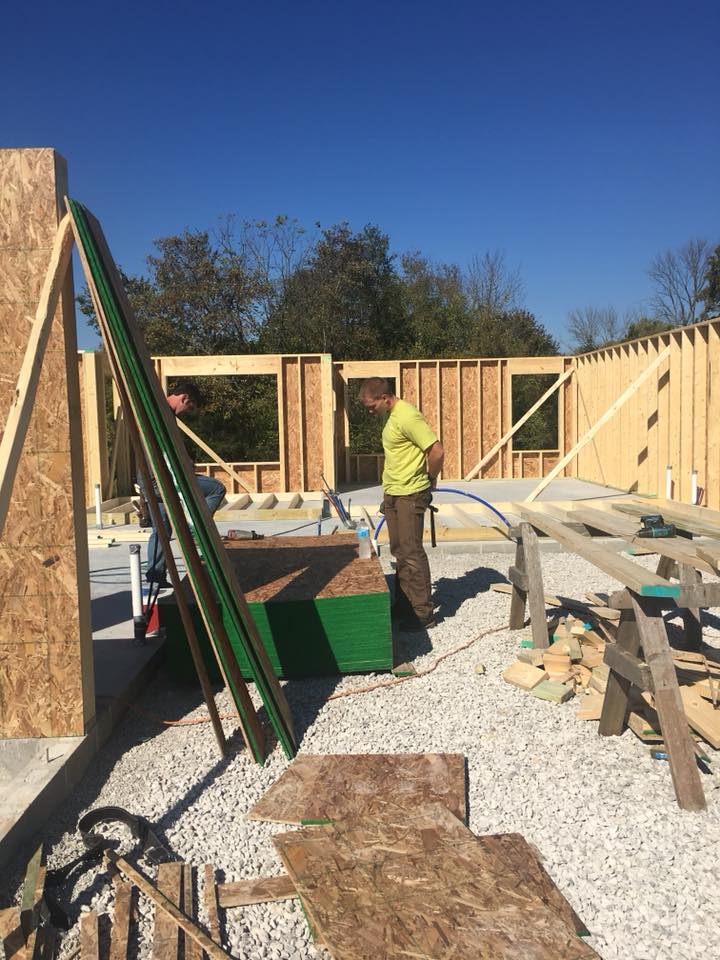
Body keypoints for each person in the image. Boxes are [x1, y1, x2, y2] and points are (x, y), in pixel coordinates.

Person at [359, 377, 444, 629]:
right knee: (398, 550)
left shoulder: (407, 416)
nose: (371, 412)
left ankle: (422, 614)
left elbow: (437, 450)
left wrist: (430, 479)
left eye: (372, 406)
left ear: (385, 398)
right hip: (394, 492)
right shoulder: (390, 416)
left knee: (411, 551)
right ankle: (405, 604)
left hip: (410, 494)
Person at [142, 380, 226, 587]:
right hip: (163, 480)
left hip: (148, 481)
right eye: (189, 407)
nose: (187, 411)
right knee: (216, 488)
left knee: (161, 530)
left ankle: (155, 577)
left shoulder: (156, 410)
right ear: (184, 398)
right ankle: (195, 527)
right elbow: (165, 450)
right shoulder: (163, 414)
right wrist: (185, 464)